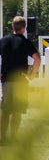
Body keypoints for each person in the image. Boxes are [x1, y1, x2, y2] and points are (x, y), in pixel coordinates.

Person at [0, 16, 41, 144]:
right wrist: (32, 74)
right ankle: (14, 137)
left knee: (5, 110)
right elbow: (37, 58)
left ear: (12, 26)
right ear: (24, 28)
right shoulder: (25, 42)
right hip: (20, 80)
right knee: (17, 110)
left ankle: (3, 138)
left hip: (6, 79)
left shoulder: (3, 41)